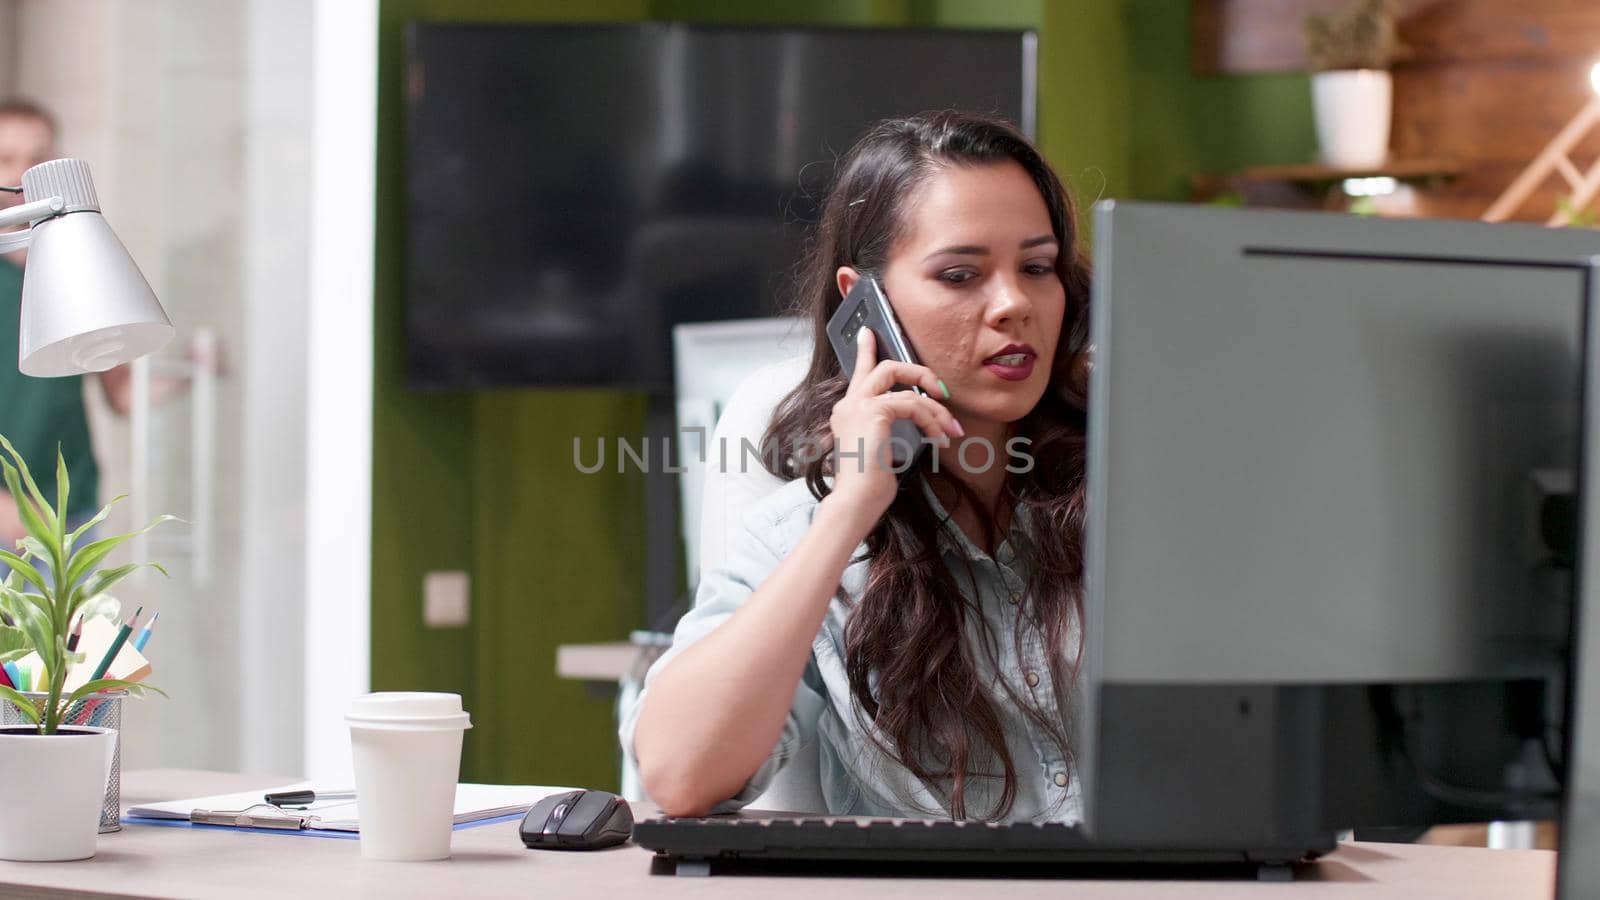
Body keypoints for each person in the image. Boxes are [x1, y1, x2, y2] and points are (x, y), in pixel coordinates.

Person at [623, 111, 1093, 822]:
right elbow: (680, 778)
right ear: (864, 303)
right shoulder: (809, 532)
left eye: (1037, 267)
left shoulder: (1138, 492)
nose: (1014, 305)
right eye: (961, 274)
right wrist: (849, 510)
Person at [0, 98, 132, 545]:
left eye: (37, 159)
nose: (21, 174)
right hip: (7, 514)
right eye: (4, 159)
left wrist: (198, 372)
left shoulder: (79, 267)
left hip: (67, 513)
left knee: (75, 619)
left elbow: (124, 391)